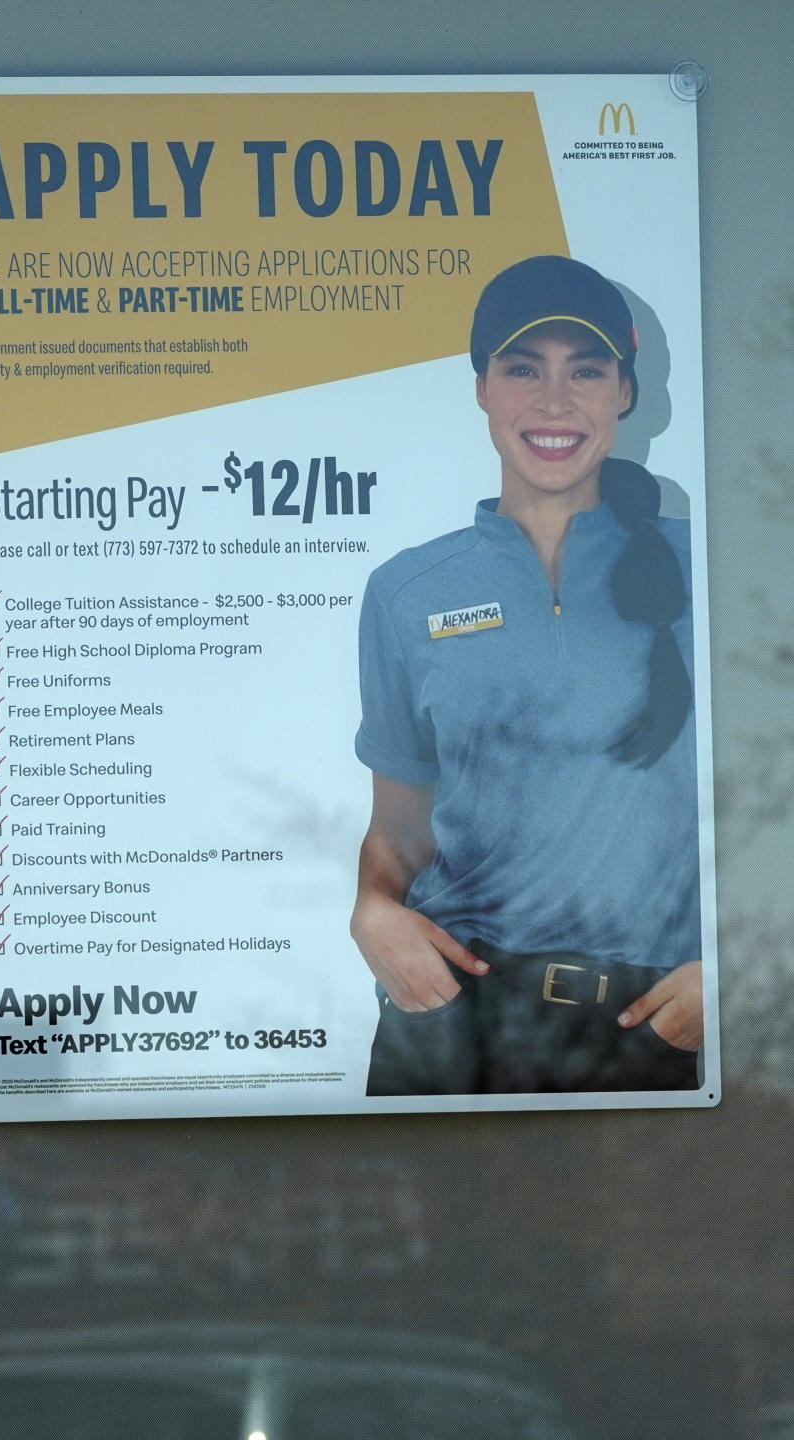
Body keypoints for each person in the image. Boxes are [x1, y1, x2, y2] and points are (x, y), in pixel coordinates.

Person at [351, 254, 703, 1096]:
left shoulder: (718, 577)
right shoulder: (407, 593)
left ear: (625, 391)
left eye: (586, 370)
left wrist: (734, 971)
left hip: (652, 1030)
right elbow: (400, 829)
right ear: (481, 388)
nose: (554, 402)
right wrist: (373, 911)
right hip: (448, 1027)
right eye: (522, 369)